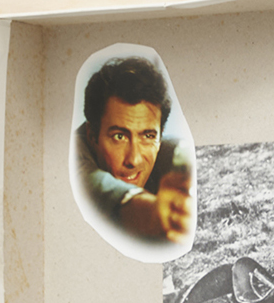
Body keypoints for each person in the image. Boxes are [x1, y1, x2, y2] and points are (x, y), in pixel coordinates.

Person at [76, 52, 193, 250]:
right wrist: (154, 213)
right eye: (119, 137)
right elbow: (94, 184)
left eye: (148, 136)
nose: (134, 159)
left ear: (160, 134)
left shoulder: (175, 151)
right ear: (92, 135)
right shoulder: (72, 155)